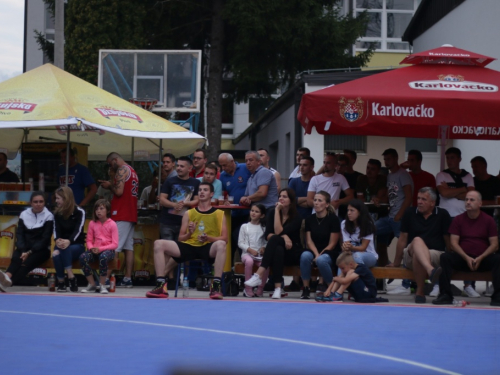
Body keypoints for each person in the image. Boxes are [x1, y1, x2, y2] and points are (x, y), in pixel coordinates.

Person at [146, 182, 228, 299]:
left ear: (211, 194)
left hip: (207, 247)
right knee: (158, 243)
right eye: (200, 190)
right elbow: (180, 238)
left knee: (221, 244)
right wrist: (190, 233)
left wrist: (208, 238)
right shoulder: (189, 213)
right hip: (189, 246)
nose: (202, 192)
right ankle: (161, 285)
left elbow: (225, 239)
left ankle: (216, 285)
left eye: (205, 190)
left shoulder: (219, 214)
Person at [433, 191, 500, 307]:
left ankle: (498, 297)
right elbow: (453, 243)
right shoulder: (458, 220)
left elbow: (494, 244)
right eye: (466, 200)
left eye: (472, 200)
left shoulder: (489, 220)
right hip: (463, 258)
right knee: (445, 257)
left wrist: (480, 257)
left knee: (498, 259)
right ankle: (445, 295)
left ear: (480, 203)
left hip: (482, 259)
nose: (468, 202)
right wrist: (466, 257)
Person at [387, 187, 452, 302]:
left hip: (435, 254)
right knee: (417, 241)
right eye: (418, 198)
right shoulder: (409, 213)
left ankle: (420, 292)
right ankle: (430, 270)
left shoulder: (443, 214)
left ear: (432, 202)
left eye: (424, 199)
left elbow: (447, 239)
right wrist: (397, 262)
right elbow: (402, 239)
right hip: (410, 253)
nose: (419, 202)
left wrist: (451, 258)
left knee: (419, 254)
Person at [245, 188, 303, 299]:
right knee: (277, 249)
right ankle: (277, 289)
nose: (281, 198)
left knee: (275, 240)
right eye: (280, 196)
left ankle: (259, 274)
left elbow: (276, 232)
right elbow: (268, 235)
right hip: (277, 252)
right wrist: (277, 212)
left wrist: (282, 234)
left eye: (284, 197)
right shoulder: (272, 212)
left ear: (291, 201)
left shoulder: (297, 217)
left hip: (292, 251)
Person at [436, 147, 476, 297]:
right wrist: (461, 190)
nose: (450, 160)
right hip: (446, 216)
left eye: (453, 157)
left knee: (466, 248)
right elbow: (444, 193)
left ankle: (468, 285)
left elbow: (470, 195)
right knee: (445, 250)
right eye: (448, 158)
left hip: (464, 216)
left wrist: (453, 190)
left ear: (459, 159)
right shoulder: (441, 174)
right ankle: (438, 284)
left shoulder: (468, 175)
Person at [98, 152, 139, 288]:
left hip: (122, 213)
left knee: (114, 246)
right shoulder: (132, 171)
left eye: (110, 164)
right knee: (128, 247)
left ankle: (105, 278)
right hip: (130, 213)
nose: (111, 167)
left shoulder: (122, 169)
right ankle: (127, 278)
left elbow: (119, 191)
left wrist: (109, 185)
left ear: (115, 160)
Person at [0, 191, 54, 291]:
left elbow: (45, 239)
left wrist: (29, 252)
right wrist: (24, 250)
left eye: (41, 202)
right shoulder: (24, 214)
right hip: (24, 248)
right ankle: (6, 277)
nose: (38, 204)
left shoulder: (48, 216)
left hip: (41, 250)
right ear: (31, 203)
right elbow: (20, 235)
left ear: (44, 203)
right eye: (35, 202)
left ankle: (7, 283)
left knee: (26, 263)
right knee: (16, 257)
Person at [375, 148, 413, 267]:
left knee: (406, 245)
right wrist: (378, 200)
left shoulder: (403, 174)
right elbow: (389, 196)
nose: (386, 162)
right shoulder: (390, 176)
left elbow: (409, 197)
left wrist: (399, 215)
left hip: (400, 217)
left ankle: (407, 278)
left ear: (396, 159)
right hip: (390, 216)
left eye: (389, 159)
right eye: (385, 159)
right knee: (369, 230)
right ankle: (377, 262)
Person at [299, 191, 341, 299]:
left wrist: (319, 256)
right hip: (314, 250)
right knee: (304, 256)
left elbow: (332, 243)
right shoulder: (309, 219)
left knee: (321, 260)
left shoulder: (333, 219)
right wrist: (316, 254)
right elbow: (309, 241)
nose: (316, 203)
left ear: (327, 204)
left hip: (330, 251)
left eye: (320, 200)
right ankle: (306, 288)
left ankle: (331, 288)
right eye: (315, 200)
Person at [79, 199, 118, 294]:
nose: (98, 211)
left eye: (101, 208)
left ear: (108, 210)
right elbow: (89, 240)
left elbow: (115, 244)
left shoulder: (112, 224)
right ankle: (92, 284)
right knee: (82, 257)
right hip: (95, 250)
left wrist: (100, 249)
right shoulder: (92, 223)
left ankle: (102, 284)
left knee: (103, 257)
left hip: (108, 250)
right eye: (96, 209)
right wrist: (91, 248)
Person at [52, 187, 86, 292]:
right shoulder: (57, 214)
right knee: (56, 253)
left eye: (58, 198)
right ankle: (63, 281)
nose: (56, 201)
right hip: (62, 244)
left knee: (62, 249)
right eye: (56, 198)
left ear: (66, 198)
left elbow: (78, 230)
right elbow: (56, 230)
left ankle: (68, 278)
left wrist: (69, 241)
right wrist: (57, 240)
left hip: (77, 245)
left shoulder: (79, 212)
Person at [218, 152, 251, 261]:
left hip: (248, 212)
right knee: (230, 238)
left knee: (241, 238)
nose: (223, 168)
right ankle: (229, 267)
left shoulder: (244, 168)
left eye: (225, 165)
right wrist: (226, 201)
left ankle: (245, 264)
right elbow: (223, 194)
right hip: (233, 213)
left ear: (232, 162)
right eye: (221, 165)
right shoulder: (223, 175)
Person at [159, 156, 200, 241]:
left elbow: (197, 200)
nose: (178, 168)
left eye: (182, 166)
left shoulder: (196, 182)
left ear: (190, 168)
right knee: (167, 249)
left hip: (185, 223)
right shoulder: (169, 181)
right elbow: (162, 199)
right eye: (178, 166)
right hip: (167, 222)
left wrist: (185, 203)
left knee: (180, 250)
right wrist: (174, 205)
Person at [238, 203, 269, 297]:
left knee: (265, 264)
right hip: (247, 254)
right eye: (252, 211)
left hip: (259, 255)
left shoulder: (263, 228)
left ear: (262, 215)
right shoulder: (244, 226)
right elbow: (240, 243)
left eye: (257, 211)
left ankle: (260, 288)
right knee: (249, 261)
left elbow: (265, 242)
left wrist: (263, 248)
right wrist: (250, 250)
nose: (253, 213)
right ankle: (248, 288)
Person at [341, 199, 378, 268]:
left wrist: (352, 247)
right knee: (343, 259)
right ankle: (340, 278)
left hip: (369, 255)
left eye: (352, 210)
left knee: (356, 256)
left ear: (360, 212)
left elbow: (363, 248)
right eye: (348, 210)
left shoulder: (368, 225)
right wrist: (345, 246)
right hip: (351, 253)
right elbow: (347, 244)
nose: (349, 213)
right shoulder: (344, 224)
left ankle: (364, 276)